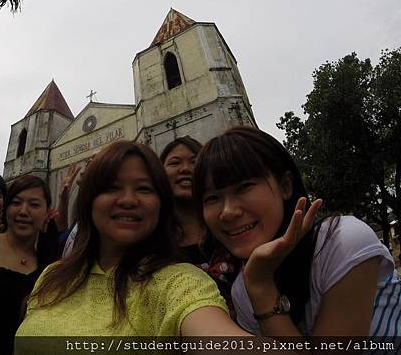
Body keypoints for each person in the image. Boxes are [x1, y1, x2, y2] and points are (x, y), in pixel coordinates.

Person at [14, 141, 249, 353]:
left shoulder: (180, 283)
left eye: (144, 189)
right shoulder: (52, 276)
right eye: (112, 187)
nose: (128, 200)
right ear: (89, 200)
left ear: (161, 205)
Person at [194, 126, 401, 339]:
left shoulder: (342, 240)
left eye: (244, 187)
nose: (228, 212)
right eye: (212, 198)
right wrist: (259, 284)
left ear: (285, 186)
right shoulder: (243, 289)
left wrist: (261, 287)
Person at [0, 175, 60, 355]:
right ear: (6, 209)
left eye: (34, 204)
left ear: (48, 212)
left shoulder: (50, 267)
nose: (23, 211)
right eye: (16, 203)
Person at [160, 136, 238, 315]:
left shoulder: (233, 226)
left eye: (195, 162)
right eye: (175, 163)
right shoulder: (152, 240)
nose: (185, 169)